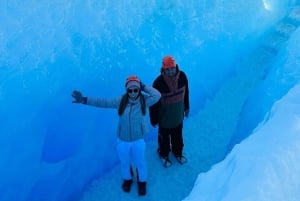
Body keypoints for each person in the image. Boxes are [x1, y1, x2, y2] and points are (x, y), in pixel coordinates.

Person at [71, 75, 161, 196]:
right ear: (126, 90)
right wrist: (84, 100)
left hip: (138, 139)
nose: (133, 93)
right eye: (130, 90)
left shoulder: (144, 101)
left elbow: (157, 95)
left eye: (136, 90)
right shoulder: (120, 101)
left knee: (140, 162)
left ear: (139, 90)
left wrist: (143, 86)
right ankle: (128, 180)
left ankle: (142, 182)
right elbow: (103, 102)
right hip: (123, 139)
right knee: (125, 162)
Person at [149, 55, 190, 167]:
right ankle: (163, 154)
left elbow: (186, 93)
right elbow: (153, 103)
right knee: (164, 140)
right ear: (164, 69)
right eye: (168, 69)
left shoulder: (182, 77)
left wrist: (187, 107)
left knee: (178, 138)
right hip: (164, 120)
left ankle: (178, 152)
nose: (171, 71)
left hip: (178, 117)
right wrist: (154, 119)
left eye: (172, 68)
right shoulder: (158, 83)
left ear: (176, 67)